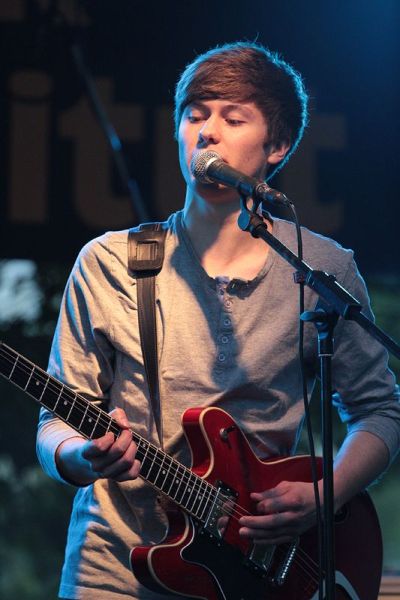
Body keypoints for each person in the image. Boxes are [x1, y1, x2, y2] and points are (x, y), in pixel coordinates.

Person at [37, 41, 400, 600]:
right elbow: (53, 423)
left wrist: (325, 495)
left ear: (277, 145)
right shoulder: (109, 262)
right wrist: (82, 457)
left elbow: (379, 410)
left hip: (258, 565)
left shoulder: (321, 269)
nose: (207, 132)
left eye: (233, 118)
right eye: (194, 115)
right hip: (114, 564)